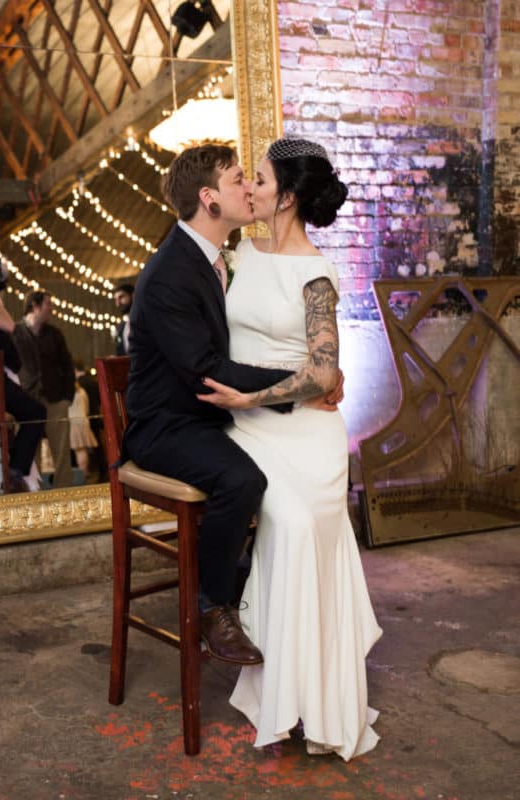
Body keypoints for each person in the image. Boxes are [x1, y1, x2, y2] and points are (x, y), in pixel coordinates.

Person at [196, 138, 382, 760]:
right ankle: (285, 693)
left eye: (263, 183)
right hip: (247, 430)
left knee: (303, 524)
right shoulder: (239, 254)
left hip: (298, 426)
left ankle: (316, 698)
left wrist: (252, 399)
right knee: (284, 521)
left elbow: (325, 375)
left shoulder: (316, 274)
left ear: (290, 196)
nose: (251, 189)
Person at [123, 144, 341, 668]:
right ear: (209, 199)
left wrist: (318, 373)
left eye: (254, 179)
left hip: (222, 413)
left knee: (285, 498)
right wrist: (305, 382)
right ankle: (210, 606)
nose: (248, 188)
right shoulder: (171, 272)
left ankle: (246, 583)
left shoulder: (227, 256)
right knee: (243, 482)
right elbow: (207, 368)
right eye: (239, 179)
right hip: (169, 425)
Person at [0, 247, 45, 493]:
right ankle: (15, 471)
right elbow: (8, 327)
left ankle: (15, 471)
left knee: (33, 412)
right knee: (35, 412)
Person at [13, 291, 75, 489]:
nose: (51, 309)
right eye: (48, 304)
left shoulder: (55, 334)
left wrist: (68, 397)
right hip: (27, 399)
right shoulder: (15, 332)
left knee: (62, 450)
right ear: (35, 306)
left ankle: (65, 493)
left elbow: (67, 365)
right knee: (30, 451)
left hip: (55, 399)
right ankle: (35, 494)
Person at [112, 283, 135, 355]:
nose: (118, 303)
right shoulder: (121, 327)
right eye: (116, 299)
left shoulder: (145, 320)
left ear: (133, 295)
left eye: (121, 297)